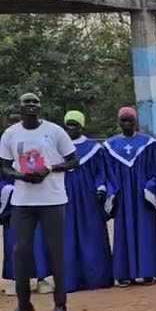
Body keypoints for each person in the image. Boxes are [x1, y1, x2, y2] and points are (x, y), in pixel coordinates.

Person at [0, 93, 78, 311]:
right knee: (21, 250)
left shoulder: (54, 131)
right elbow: (4, 167)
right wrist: (20, 175)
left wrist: (49, 168)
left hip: (52, 199)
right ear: (21, 107)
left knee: (56, 250)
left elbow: (74, 160)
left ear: (40, 107)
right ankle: (24, 305)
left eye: (35, 102)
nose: (31, 106)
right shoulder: (10, 134)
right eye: (27, 103)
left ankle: (60, 304)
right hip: (23, 201)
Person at [105, 106, 156, 286]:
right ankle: (125, 273)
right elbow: (108, 173)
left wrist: (150, 187)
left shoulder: (148, 143)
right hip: (123, 194)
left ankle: (148, 271)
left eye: (130, 120)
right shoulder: (110, 145)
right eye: (123, 120)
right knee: (124, 230)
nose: (127, 123)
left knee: (146, 230)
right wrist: (112, 192)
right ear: (118, 122)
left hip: (142, 194)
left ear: (135, 121)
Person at [60, 111, 113, 293]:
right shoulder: (57, 147)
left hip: (88, 196)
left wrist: (101, 187)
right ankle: (70, 280)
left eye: (75, 124)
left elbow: (101, 171)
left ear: (81, 126)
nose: (71, 128)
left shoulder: (94, 148)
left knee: (91, 233)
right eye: (68, 124)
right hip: (64, 194)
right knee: (67, 235)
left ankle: (96, 278)